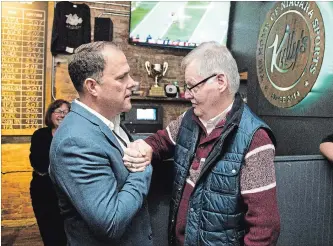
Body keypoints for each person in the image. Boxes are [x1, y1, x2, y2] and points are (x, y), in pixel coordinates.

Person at [123, 41, 281, 245]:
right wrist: (147, 147)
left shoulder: (255, 138)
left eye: (193, 87)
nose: (187, 94)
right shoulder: (188, 119)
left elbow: (265, 228)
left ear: (220, 82)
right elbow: (162, 140)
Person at [48, 41, 153, 246]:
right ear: (92, 86)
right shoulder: (75, 141)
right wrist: (143, 167)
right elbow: (111, 223)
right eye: (122, 77)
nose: (132, 83)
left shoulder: (110, 120)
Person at [29, 99, 70, 246]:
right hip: (44, 192)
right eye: (58, 111)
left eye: (66, 112)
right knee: (50, 233)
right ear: (50, 114)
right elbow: (39, 164)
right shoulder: (40, 135)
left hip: (68, 192)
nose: (62, 115)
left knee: (68, 233)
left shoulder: (73, 135)